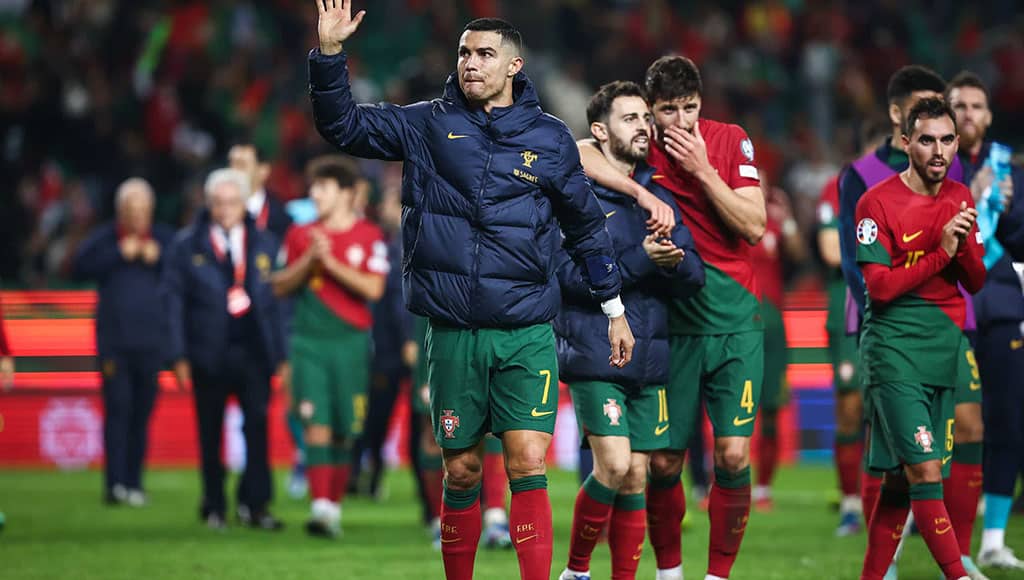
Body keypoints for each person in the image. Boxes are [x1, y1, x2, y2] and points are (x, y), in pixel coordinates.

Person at [308, 6, 635, 579]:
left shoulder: (551, 138)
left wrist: (613, 308)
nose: (471, 62)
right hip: (454, 330)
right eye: (464, 52)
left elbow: (586, 227)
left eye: (484, 53)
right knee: (460, 469)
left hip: (527, 329)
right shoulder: (426, 124)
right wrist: (331, 56)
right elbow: (345, 129)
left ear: (514, 65)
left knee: (528, 460)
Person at [579, 55, 766, 580]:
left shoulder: (730, 140)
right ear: (651, 109)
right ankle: (671, 573)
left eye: (690, 108)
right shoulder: (646, 143)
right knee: (663, 463)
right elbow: (578, 155)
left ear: (702, 105)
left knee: (731, 455)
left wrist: (703, 170)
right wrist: (640, 190)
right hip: (673, 324)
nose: (680, 122)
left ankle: (718, 575)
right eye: (668, 110)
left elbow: (754, 227)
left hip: (734, 320)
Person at [557, 80, 705, 580]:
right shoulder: (575, 196)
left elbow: (694, 278)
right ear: (599, 131)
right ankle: (576, 571)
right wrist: (644, 258)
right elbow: (570, 280)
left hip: (650, 358)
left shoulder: (660, 195)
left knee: (638, 474)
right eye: (629, 118)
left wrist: (670, 259)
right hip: (594, 350)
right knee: (616, 465)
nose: (643, 127)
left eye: (646, 117)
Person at [856, 96, 985, 580]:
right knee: (926, 472)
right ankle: (959, 575)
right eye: (927, 140)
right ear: (907, 142)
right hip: (894, 349)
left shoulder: (960, 196)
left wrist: (963, 248)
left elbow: (974, 281)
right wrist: (939, 252)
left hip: (943, 347)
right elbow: (880, 286)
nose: (938, 150)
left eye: (947, 140)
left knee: (898, 483)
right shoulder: (877, 202)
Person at [837, 64, 948, 546]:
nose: (931, 123)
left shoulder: (950, 172)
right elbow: (853, 262)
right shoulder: (861, 177)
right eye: (921, 110)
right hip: (883, 323)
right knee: (880, 439)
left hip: (940, 326)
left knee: (951, 439)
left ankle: (953, 548)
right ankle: (885, 551)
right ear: (897, 115)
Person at [162, 168, 286, 531]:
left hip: (254, 350)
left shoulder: (265, 242)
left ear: (244, 202)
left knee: (258, 427)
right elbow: (172, 303)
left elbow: (278, 303)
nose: (225, 208)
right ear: (208, 203)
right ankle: (214, 504)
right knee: (209, 431)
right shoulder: (186, 245)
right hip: (207, 352)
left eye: (232, 201)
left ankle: (257, 504)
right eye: (218, 202)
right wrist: (178, 355)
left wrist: (282, 355)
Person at [272, 155, 388, 537]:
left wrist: (330, 264)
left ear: (345, 193)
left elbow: (374, 288)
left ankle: (332, 508)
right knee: (316, 424)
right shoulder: (299, 234)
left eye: (322, 188)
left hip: (351, 343)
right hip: (309, 341)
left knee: (343, 429)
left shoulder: (369, 236)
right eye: (313, 188)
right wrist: (309, 259)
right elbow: (279, 285)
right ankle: (321, 508)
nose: (314, 195)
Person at [947, 71, 1024, 572]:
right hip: (948, 308)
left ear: (988, 115)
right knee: (948, 427)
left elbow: (1020, 243)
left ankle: (993, 538)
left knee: (1007, 423)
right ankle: (945, 536)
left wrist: (1011, 209)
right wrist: (970, 197)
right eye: (960, 105)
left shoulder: (1009, 169)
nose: (968, 114)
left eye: (977, 106)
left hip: (999, 309)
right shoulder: (932, 165)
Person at [72, 178, 174, 507]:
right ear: (121, 212)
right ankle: (115, 484)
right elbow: (77, 266)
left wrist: (159, 258)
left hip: (151, 343)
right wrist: (118, 254)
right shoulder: (105, 239)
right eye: (131, 209)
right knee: (118, 412)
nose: (137, 215)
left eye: (143, 208)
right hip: (114, 343)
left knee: (142, 413)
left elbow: (185, 270)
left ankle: (134, 482)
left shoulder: (164, 240)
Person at [817, 117, 890, 536]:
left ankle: (904, 505)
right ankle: (850, 506)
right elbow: (831, 251)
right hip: (848, 307)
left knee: (895, 409)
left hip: (899, 308)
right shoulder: (843, 184)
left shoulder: (910, 187)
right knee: (850, 408)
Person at [227, 141, 305, 499]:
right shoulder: (215, 215)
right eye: (231, 163)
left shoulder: (282, 220)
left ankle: (300, 462)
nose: (235, 170)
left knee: (276, 408)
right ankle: (228, 495)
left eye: (243, 163)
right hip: (225, 334)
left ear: (263, 171)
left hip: (271, 329)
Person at [349, 189, 413, 501]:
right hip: (385, 349)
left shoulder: (420, 243)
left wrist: (411, 339)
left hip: (414, 346)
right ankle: (370, 474)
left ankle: (428, 489)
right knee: (375, 418)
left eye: (393, 203)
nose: (388, 209)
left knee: (422, 419)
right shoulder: (384, 247)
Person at [751, 182, 804, 512]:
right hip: (738, 319)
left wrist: (788, 221)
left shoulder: (773, 218)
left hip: (773, 325)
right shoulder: (729, 215)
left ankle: (764, 487)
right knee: (725, 408)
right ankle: (723, 478)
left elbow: (799, 254)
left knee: (770, 409)